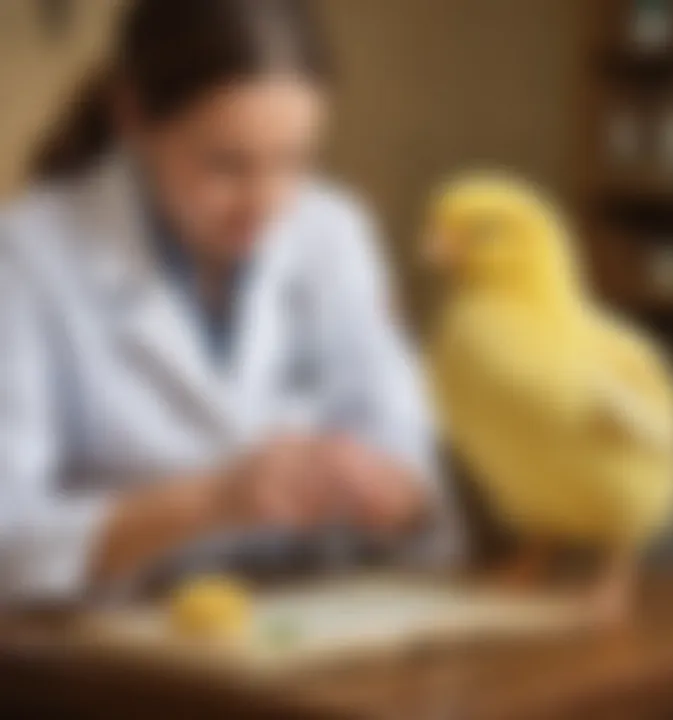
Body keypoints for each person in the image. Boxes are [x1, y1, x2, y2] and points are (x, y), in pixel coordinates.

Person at [0, 0, 453, 601]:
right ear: (134, 116)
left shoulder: (334, 234)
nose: (266, 203)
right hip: (100, 665)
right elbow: (8, 540)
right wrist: (212, 502)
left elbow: (418, 484)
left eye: (294, 160)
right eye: (226, 164)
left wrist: (393, 493)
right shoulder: (30, 256)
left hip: (306, 631)